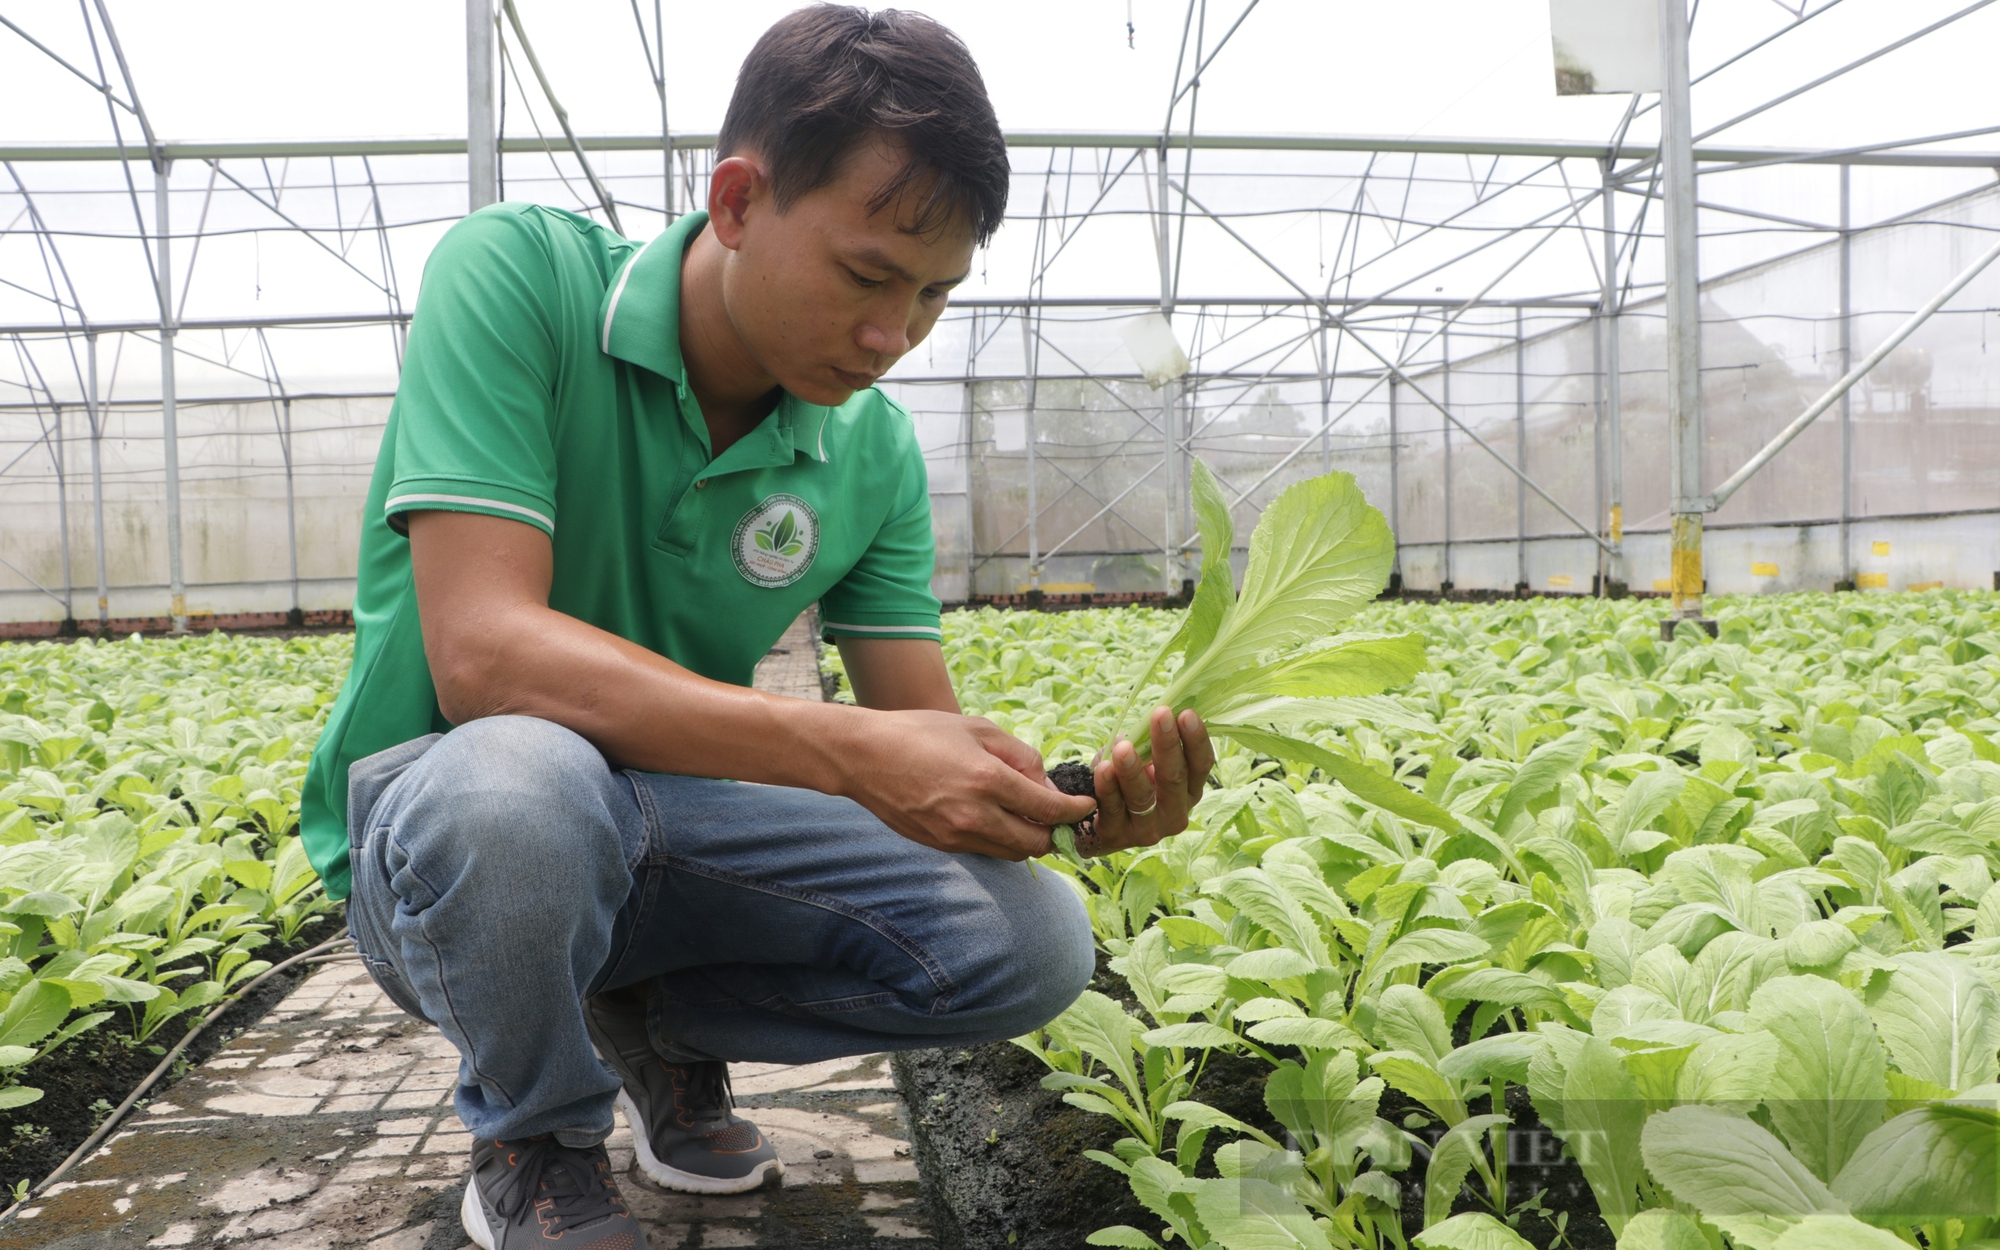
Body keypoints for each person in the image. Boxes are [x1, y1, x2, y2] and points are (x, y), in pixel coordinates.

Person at [299, 7, 1214, 1248]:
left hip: (672, 826)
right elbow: (483, 656)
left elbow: (918, 736)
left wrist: (1063, 804)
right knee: (523, 782)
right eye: (865, 274)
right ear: (735, 201)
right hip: (452, 840)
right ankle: (537, 1129)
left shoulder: (870, 449)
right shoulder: (517, 278)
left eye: (936, 293)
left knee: (1029, 941)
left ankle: (651, 1028)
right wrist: (837, 749)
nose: (893, 337)